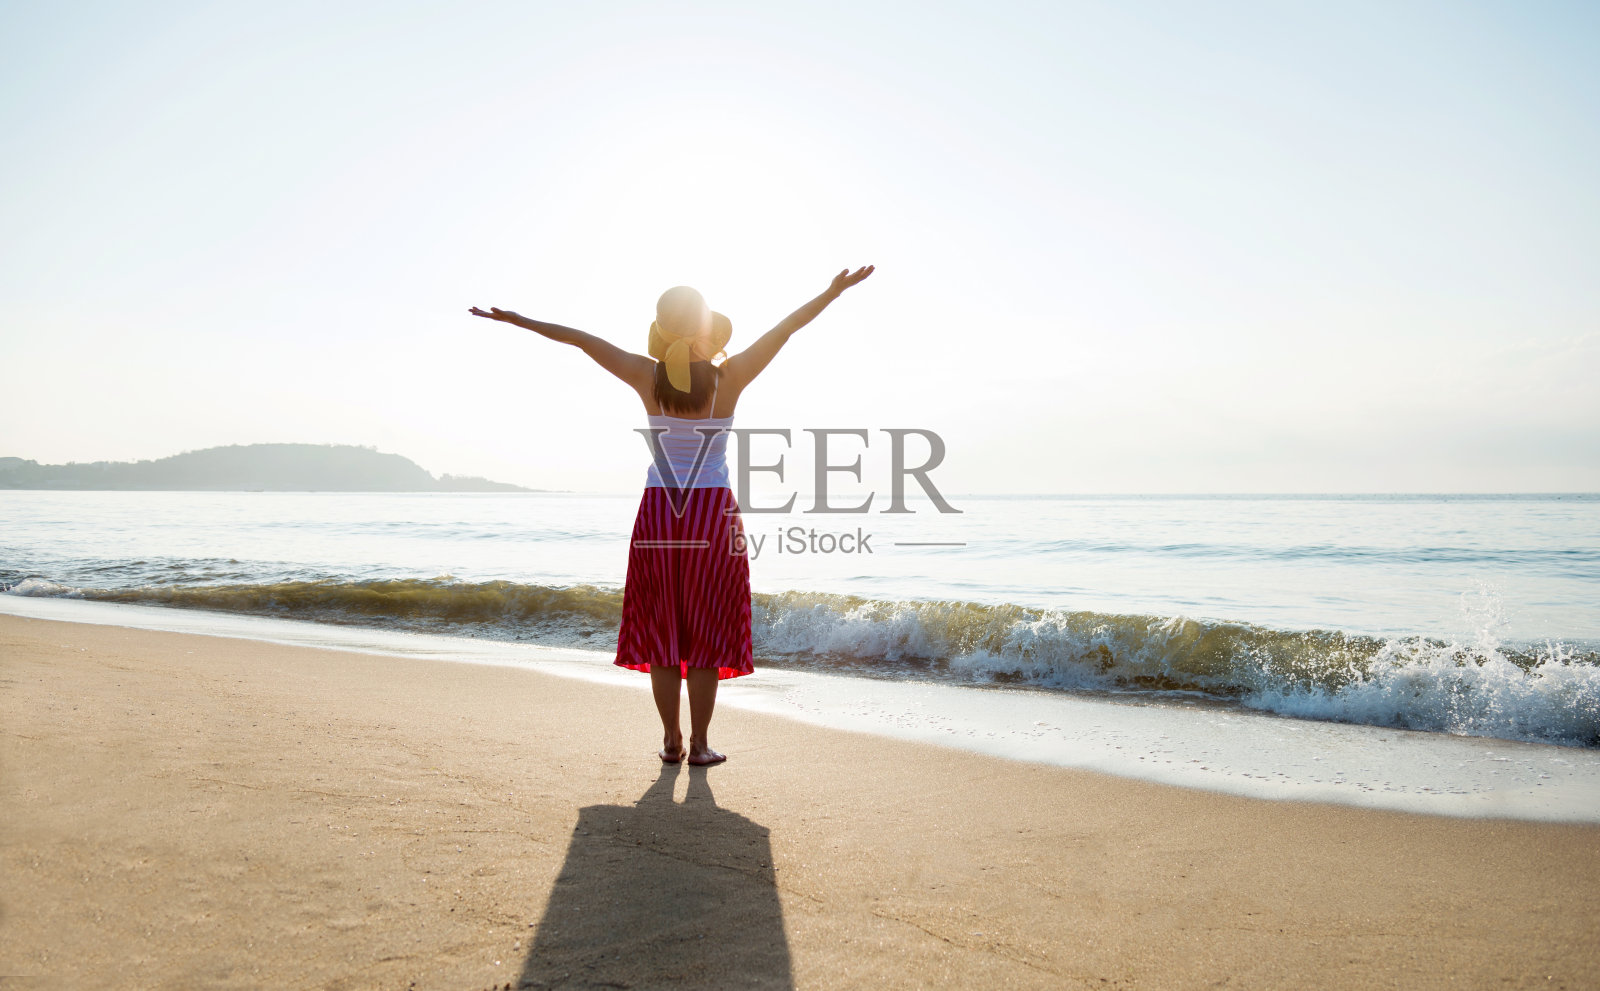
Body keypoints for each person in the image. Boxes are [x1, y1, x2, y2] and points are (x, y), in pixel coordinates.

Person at [469, 265, 874, 765]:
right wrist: (832, 292)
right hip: (710, 512)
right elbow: (786, 328)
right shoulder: (731, 376)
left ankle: (670, 741)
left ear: (661, 331)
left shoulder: (645, 375)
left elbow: (580, 340)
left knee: (664, 629)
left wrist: (518, 321)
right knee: (704, 631)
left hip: (661, 510)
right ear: (707, 330)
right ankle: (701, 744)